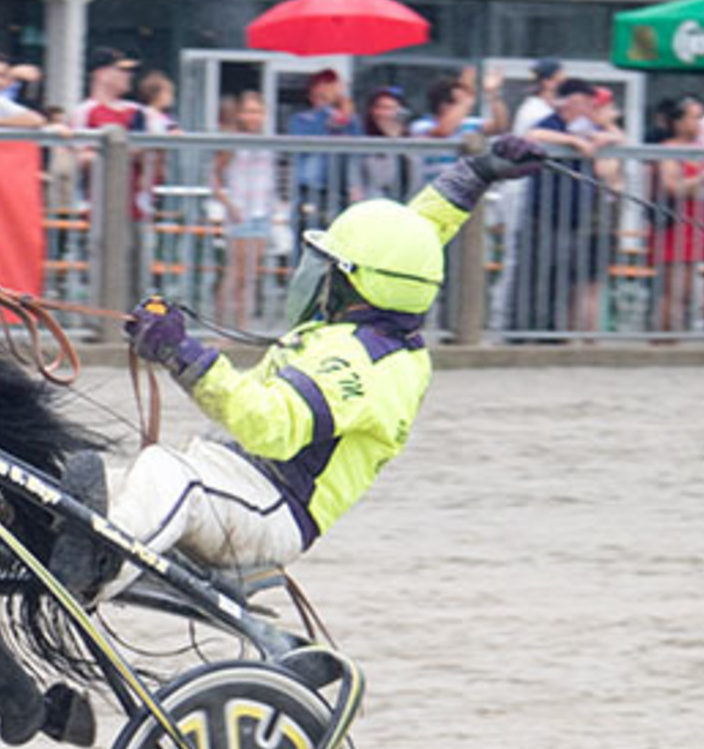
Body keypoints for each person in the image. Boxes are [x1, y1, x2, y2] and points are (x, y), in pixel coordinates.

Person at [43, 138, 548, 607]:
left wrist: (181, 353)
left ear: (357, 283)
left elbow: (269, 426)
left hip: (271, 508)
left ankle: (91, 578)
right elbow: (411, 237)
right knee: (111, 479)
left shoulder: (368, 365)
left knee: (170, 474)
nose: (315, 274)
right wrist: (478, 172)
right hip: (235, 478)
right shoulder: (382, 300)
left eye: (328, 265)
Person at [514, 77, 609, 335]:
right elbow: (532, 135)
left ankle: (553, 332)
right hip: (545, 215)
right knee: (537, 277)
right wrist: (573, 142)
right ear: (572, 101)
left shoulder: (582, 126)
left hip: (574, 218)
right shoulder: (552, 122)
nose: (591, 107)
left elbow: (616, 135)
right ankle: (527, 330)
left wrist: (601, 136)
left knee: (561, 279)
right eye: (586, 101)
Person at [209, 90, 280, 329]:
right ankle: (221, 326)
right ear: (240, 114)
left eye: (257, 111)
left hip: (261, 212)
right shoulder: (233, 142)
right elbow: (214, 177)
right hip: (240, 213)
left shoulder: (269, 142)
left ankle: (243, 325)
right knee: (234, 273)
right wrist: (229, 204)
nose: (253, 116)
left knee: (250, 275)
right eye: (248, 111)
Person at [651, 96, 704, 334]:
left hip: (702, 220)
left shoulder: (703, 150)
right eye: (694, 117)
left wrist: (695, 186)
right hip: (676, 223)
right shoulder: (668, 149)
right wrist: (702, 180)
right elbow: (673, 186)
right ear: (678, 122)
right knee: (676, 288)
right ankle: (665, 338)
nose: (699, 122)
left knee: (696, 287)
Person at [287, 68, 358, 228]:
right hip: (311, 188)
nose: (330, 90)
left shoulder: (347, 118)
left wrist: (348, 117)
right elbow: (306, 142)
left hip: (340, 188)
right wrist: (328, 113)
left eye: (333, 85)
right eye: (326, 84)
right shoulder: (301, 119)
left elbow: (359, 144)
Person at [358, 85, 416, 200]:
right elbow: (379, 180)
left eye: (390, 108)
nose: (384, 114)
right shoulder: (363, 140)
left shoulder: (411, 141)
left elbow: (414, 178)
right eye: (380, 107)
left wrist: (395, 138)